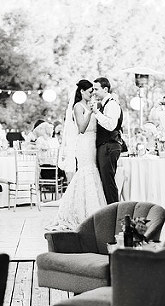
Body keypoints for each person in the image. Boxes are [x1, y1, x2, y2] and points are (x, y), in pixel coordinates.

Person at [48, 79, 107, 230]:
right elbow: (81, 128)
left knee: (94, 173)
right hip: (84, 143)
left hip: (94, 142)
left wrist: (96, 110)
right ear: (82, 91)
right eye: (89, 92)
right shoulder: (78, 107)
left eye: (93, 91)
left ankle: (95, 210)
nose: (92, 94)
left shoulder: (92, 105)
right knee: (86, 172)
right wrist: (91, 112)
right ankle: (80, 212)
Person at [91, 76, 125, 204]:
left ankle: (114, 211)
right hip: (105, 145)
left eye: (96, 89)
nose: (94, 92)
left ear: (105, 89)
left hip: (109, 146)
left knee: (108, 182)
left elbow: (111, 126)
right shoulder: (105, 104)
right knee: (106, 182)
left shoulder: (111, 104)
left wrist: (96, 113)